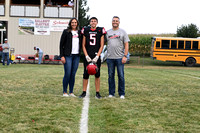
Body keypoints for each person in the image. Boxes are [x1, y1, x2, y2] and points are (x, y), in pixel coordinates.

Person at [79, 17, 106, 99]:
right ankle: (84, 92)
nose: (93, 22)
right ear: (90, 22)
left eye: (94, 21)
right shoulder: (86, 30)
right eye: (92, 21)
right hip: (88, 54)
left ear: (97, 23)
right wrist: (86, 55)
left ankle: (97, 92)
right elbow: (83, 45)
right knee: (85, 74)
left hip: (96, 55)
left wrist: (97, 56)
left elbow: (102, 45)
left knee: (97, 74)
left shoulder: (100, 30)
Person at [106, 16, 130, 99]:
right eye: (113, 21)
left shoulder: (123, 32)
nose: (115, 22)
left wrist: (125, 56)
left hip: (120, 57)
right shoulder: (108, 32)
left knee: (121, 76)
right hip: (110, 58)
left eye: (116, 21)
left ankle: (121, 93)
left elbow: (126, 44)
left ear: (119, 22)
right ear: (111, 22)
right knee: (110, 76)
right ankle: (111, 93)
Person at [60, 18, 82, 97]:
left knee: (73, 74)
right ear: (70, 23)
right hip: (68, 55)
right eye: (72, 22)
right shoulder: (66, 32)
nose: (74, 24)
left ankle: (71, 92)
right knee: (67, 73)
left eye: (75, 22)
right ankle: (65, 92)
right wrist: (62, 56)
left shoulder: (79, 32)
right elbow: (61, 44)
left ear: (77, 24)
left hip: (76, 56)